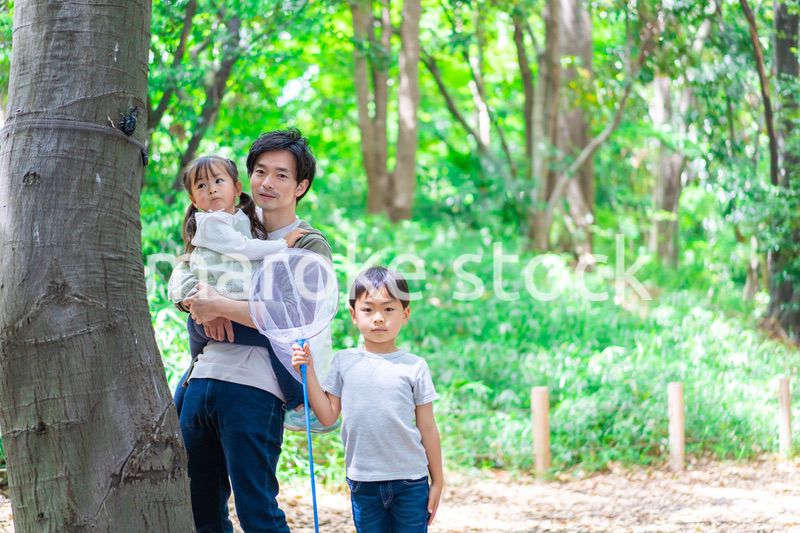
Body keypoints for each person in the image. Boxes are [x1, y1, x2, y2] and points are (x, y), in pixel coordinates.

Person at [176, 129, 334, 532]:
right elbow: (184, 267)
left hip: (258, 385)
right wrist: (194, 300)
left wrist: (221, 305)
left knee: (256, 511)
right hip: (205, 374)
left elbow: (296, 314)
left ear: (301, 186)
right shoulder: (230, 224)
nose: (268, 182)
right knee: (200, 507)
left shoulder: (309, 245)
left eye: (282, 175)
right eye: (260, 171)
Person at [291, 266, 444, 533]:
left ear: (404, 314)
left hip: (410, 480)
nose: (378, 318)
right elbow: (327, 416)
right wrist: (308, 373)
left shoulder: (414, 366)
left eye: (388, 309)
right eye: (368, 309)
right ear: (353, 314)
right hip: (363, 480)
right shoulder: (344, 362)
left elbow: (428, 427)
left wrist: (438, 481)